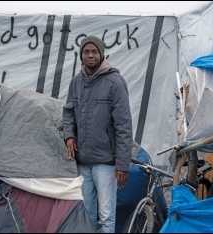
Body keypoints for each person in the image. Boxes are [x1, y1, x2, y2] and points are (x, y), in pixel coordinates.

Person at [62, 35, 133, 233]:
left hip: (106, 163)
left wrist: (122, 164)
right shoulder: (76, 82)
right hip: (83, 162)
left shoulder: (115, 82)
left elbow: (124, 125)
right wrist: (69, 135)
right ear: (81, 55)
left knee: (106, 217)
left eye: (94, 51)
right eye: (86, 52)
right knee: (87, 215)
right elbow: (68, 113)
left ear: (101, 54)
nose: (90, 55)